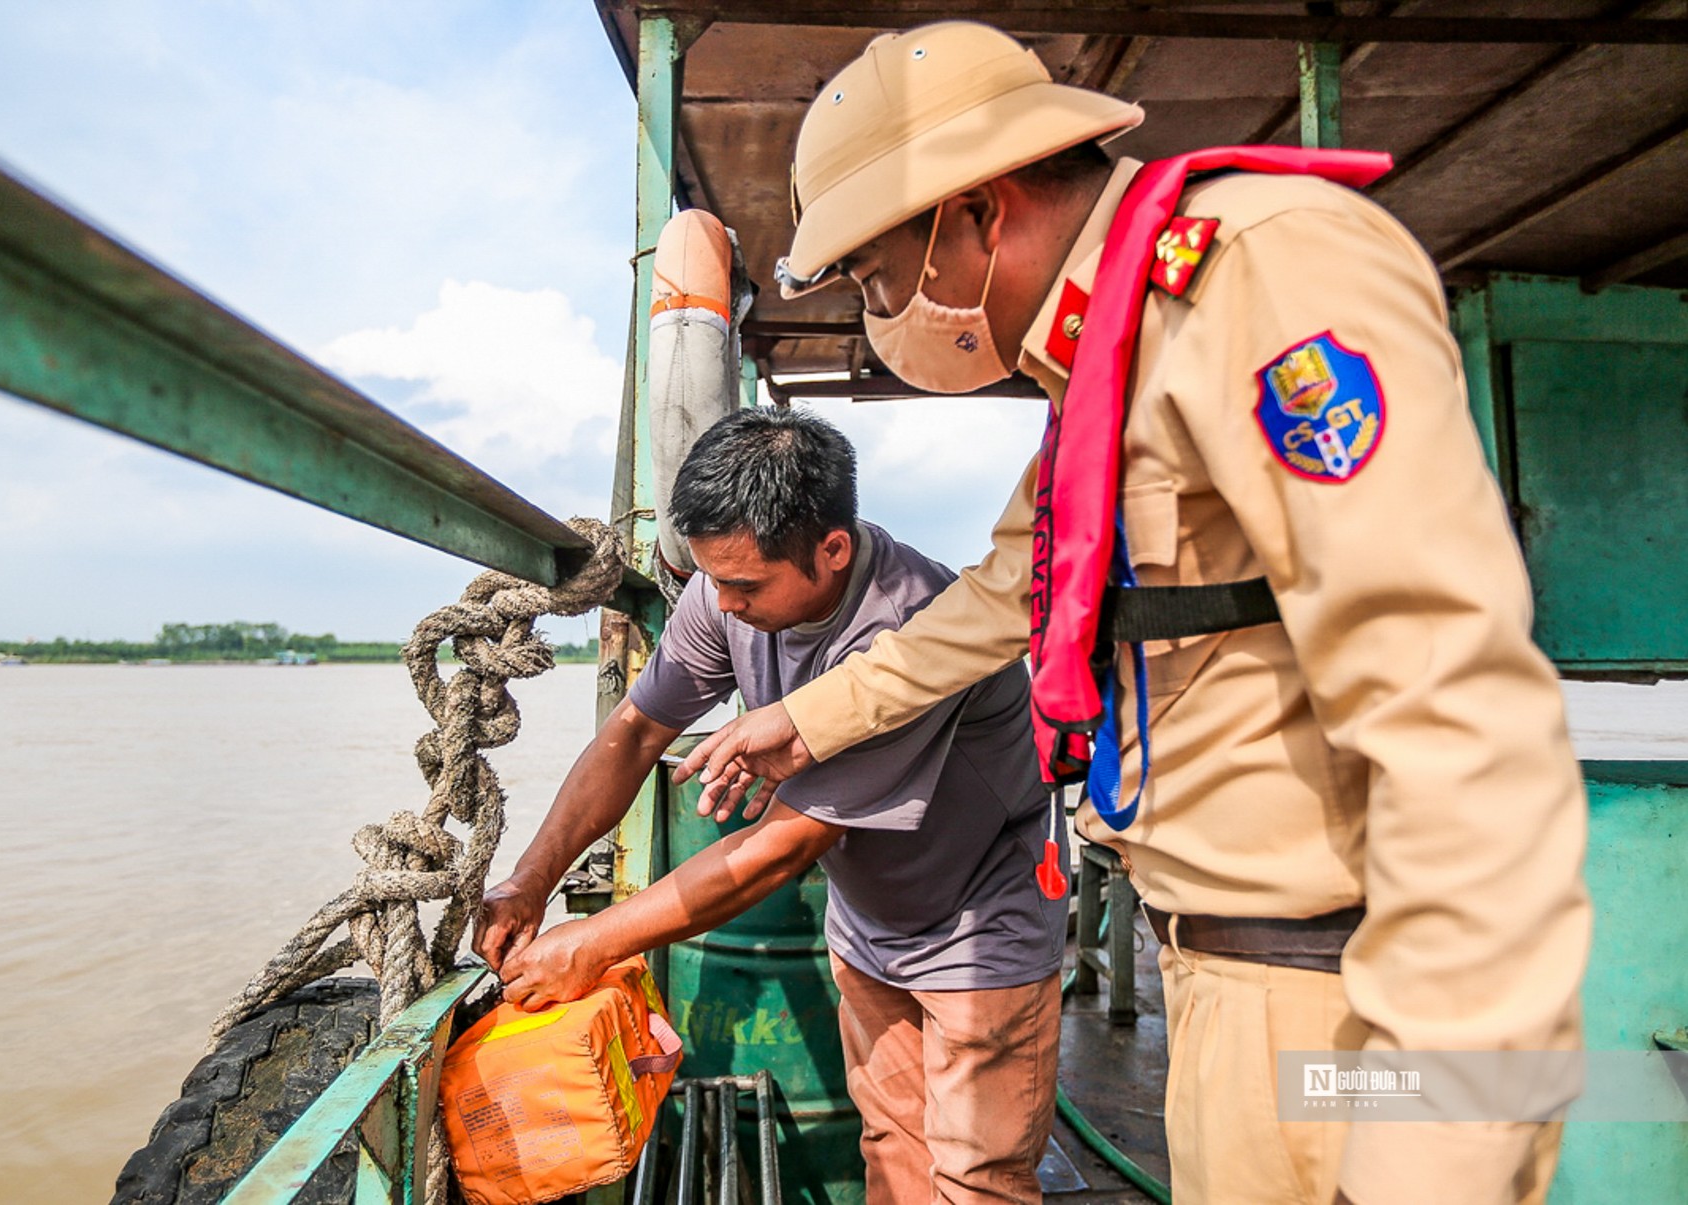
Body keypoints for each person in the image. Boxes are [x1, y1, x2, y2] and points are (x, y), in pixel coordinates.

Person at [677, 20, 1590, 1205]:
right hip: (1226, 972)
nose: (883, 307)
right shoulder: (1102, 365)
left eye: (879, 272)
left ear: (975, 212)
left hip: (1342, 996)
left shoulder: (1260, 273)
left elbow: (1452, 708)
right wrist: (800, 718)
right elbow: (1001, 598)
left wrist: (1442, 1145)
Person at [475, 406, 1069, 1204]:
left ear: (832, 548)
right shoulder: (727, 593)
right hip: (868, 921)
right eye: (710, 577)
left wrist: (592, 943)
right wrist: (531, 878)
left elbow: (783, 846)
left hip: (978, 918)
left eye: (743, 584)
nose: (719, 605)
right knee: (892, 1142)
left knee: (975, 1173)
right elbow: (638, 730)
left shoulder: (910, 626)